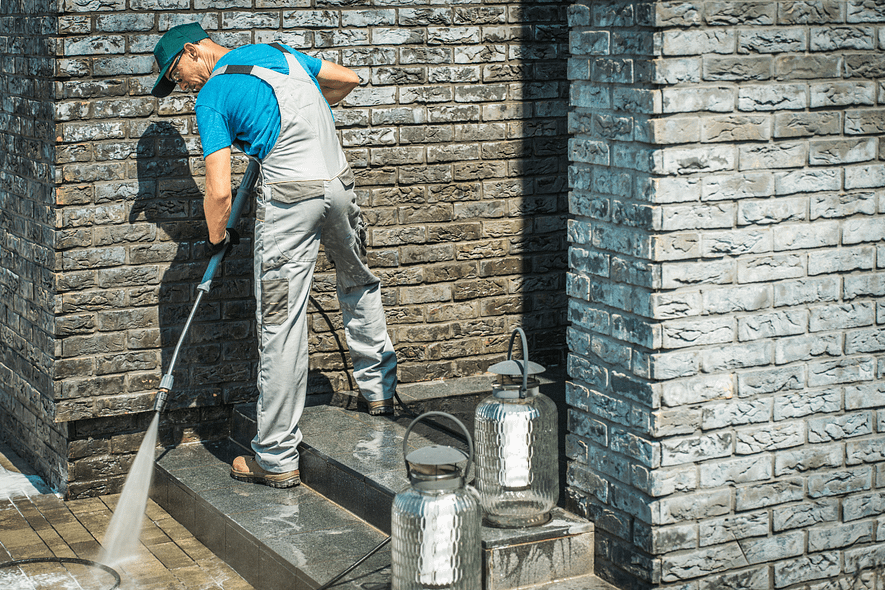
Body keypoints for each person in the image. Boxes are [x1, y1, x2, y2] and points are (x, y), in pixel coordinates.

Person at [150, 23, 398, 488]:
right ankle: (380, 391)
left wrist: (218, 237)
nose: (181, 86)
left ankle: (277, 456)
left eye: (176, 74)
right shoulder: (278, 53)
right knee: (358, 281)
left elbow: (218, 191)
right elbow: (347, 80)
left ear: (193, 51)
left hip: (290, 198)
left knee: (281, 323)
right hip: (340, 186)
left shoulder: (213, 96)